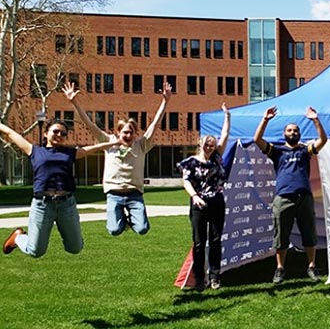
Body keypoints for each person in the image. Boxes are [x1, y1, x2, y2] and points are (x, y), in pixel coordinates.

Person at [63, 81, 171, 236]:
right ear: (118, 133)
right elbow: (89, 124)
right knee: (114, 230)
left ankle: (132, 218)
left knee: (142, 229)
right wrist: (74, 102)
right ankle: (122, 221)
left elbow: (155, 124)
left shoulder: (141, 145)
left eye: (131, 132)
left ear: (135, 134)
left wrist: (165, 101)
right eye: (124, 132)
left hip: (134, 194)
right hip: (114, 194)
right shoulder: (109, 143)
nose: (127, 135)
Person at [2, 120, 121, 257]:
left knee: (75, 248)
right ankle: (18, 237)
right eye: (56, 131)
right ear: (46, 134)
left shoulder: (70, 153)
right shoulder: (34, 150)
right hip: (42, 205)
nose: (59, 135)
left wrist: (114, 143)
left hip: (66, 205)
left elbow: (94, 148)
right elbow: (10, 132)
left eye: (63, 133)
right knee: (35, 251)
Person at [253, 106, 327, 284]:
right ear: (284, 133)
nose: (292, 132)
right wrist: (265, 120)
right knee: (281, 234)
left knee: (309, 233)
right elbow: (257, 139)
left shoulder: (304, 151)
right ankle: (280, 268)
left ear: (299, 134)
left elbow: (323, 140)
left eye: (295, 130)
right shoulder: (277, 151)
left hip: (304, 198)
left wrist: (315, 120)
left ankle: (311, 266)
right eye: (289, 130)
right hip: (283, 197)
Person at [176, 103, 230, 291]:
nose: (210, 147)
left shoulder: (216, 157)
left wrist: (227, 117)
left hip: (216, 202)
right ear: (200, 144)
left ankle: (215, 276)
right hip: (198, 203)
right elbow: (186, 181)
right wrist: (195, 196)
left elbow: (224, 135)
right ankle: (199, 278)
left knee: (215, 241)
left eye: (212, 145)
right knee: (199, 243)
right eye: (207, 144)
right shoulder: (190, 163)